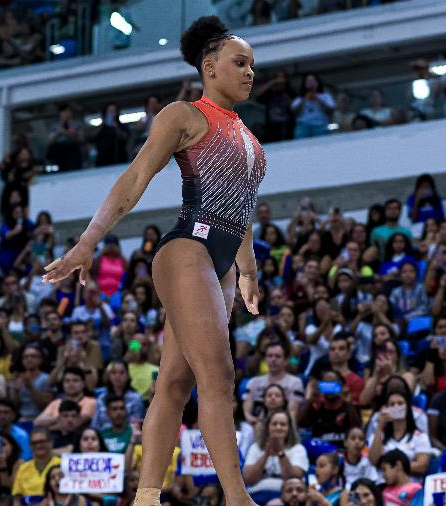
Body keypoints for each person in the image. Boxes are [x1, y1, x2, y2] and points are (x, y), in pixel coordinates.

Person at [42, 16, 267, 506]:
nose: (251, 72)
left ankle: (146, 497)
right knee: (219, 376)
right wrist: (89, 239)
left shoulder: (251, 141)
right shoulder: (184, 115)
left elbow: (243, 208)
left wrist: (248, 271)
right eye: (240, 63)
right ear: (210, 67)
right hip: (189, 248)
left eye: (252, 65)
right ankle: (237, 497)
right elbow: (136, 177)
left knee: (175, 381)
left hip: (224, 263)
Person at [12, 428, 62, 503]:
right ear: (30, 446)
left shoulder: (62, 464)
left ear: (51, 442)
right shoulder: (23, 467)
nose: (39, 445)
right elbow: (17, 497)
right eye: (34, 443)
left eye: (42, 441)